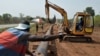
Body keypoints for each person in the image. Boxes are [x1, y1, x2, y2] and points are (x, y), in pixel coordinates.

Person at [0, 20, 64, 56]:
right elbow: (44, 37)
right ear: (28, 29)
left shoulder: (9, 30)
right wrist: (58, 35)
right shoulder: (23, 34)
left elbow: (23, 48)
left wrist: (31, 54)